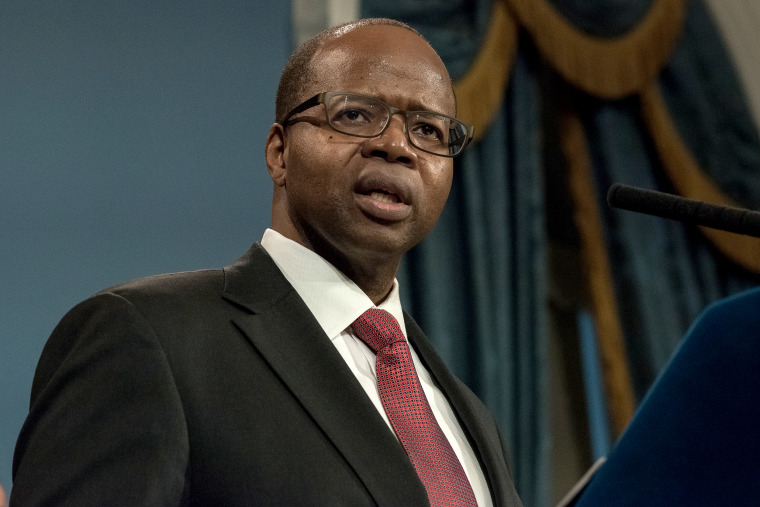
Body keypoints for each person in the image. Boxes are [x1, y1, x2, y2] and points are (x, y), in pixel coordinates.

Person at [11, 18, 522, 506]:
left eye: (429, 131)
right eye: (355, 115)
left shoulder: (466, 413)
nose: (396, 146)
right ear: (279, 153)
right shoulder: (149, 338)